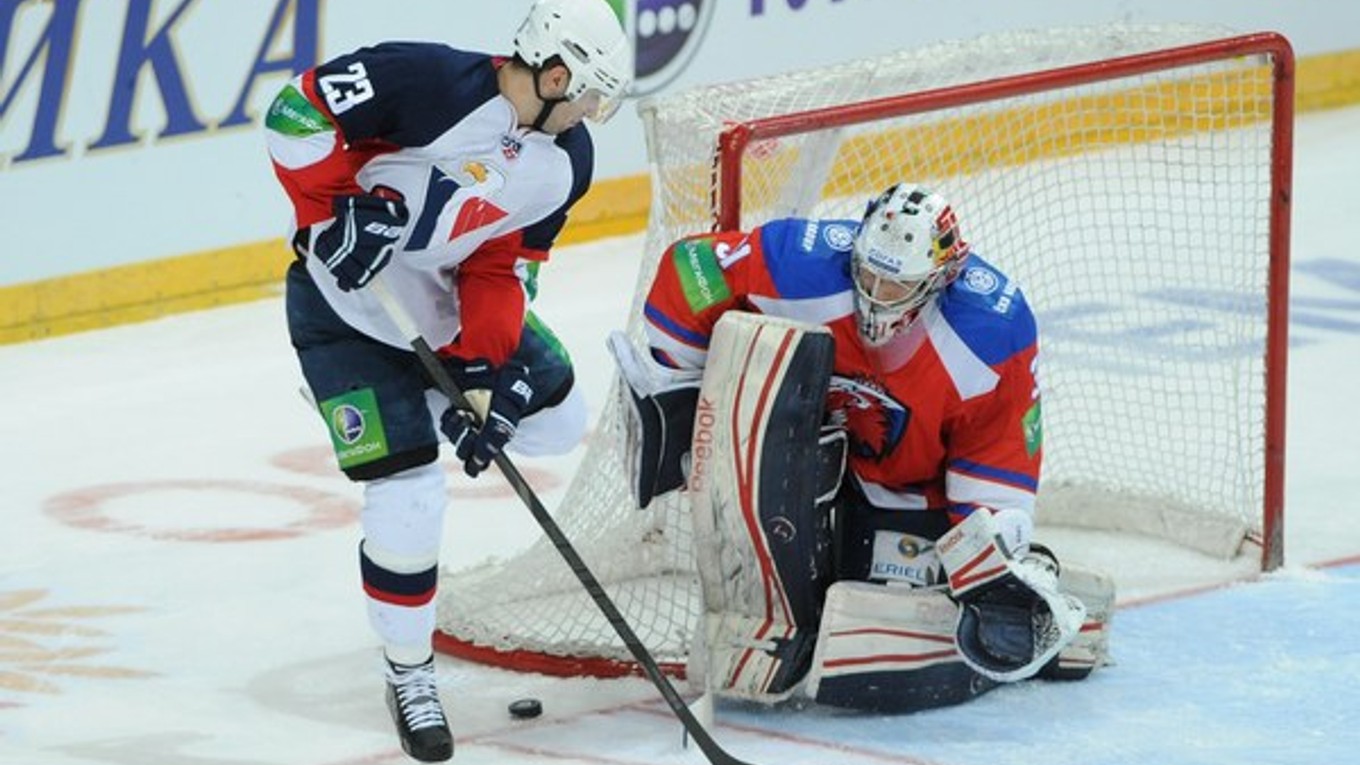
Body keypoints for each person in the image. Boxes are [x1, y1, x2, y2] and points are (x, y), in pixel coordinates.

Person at [262, 1, 631, 760]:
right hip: (344, 312)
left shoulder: (570, 161)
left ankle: (422, 401)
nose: (593, 113)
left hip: (437, 302)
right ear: (555, 73)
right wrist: (332, 212)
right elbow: (293, 112)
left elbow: (498, 265)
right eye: (590, 94)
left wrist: (481, 372)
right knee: (409, 492)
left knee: (557, 422)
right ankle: (409, 671)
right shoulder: (426, 78)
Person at [610, 183, 1114, 713]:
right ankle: (774, 628)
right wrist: (690, 393)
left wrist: (989, 558)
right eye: (868, 274)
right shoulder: (804, 262)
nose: (875, 293)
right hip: (811, 456)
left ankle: (1053, 607)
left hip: (909, 489)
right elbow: (691, 267)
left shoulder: (991, 333)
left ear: (940, 279)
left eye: (896, 285)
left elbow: (998, 460)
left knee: (878, 617)